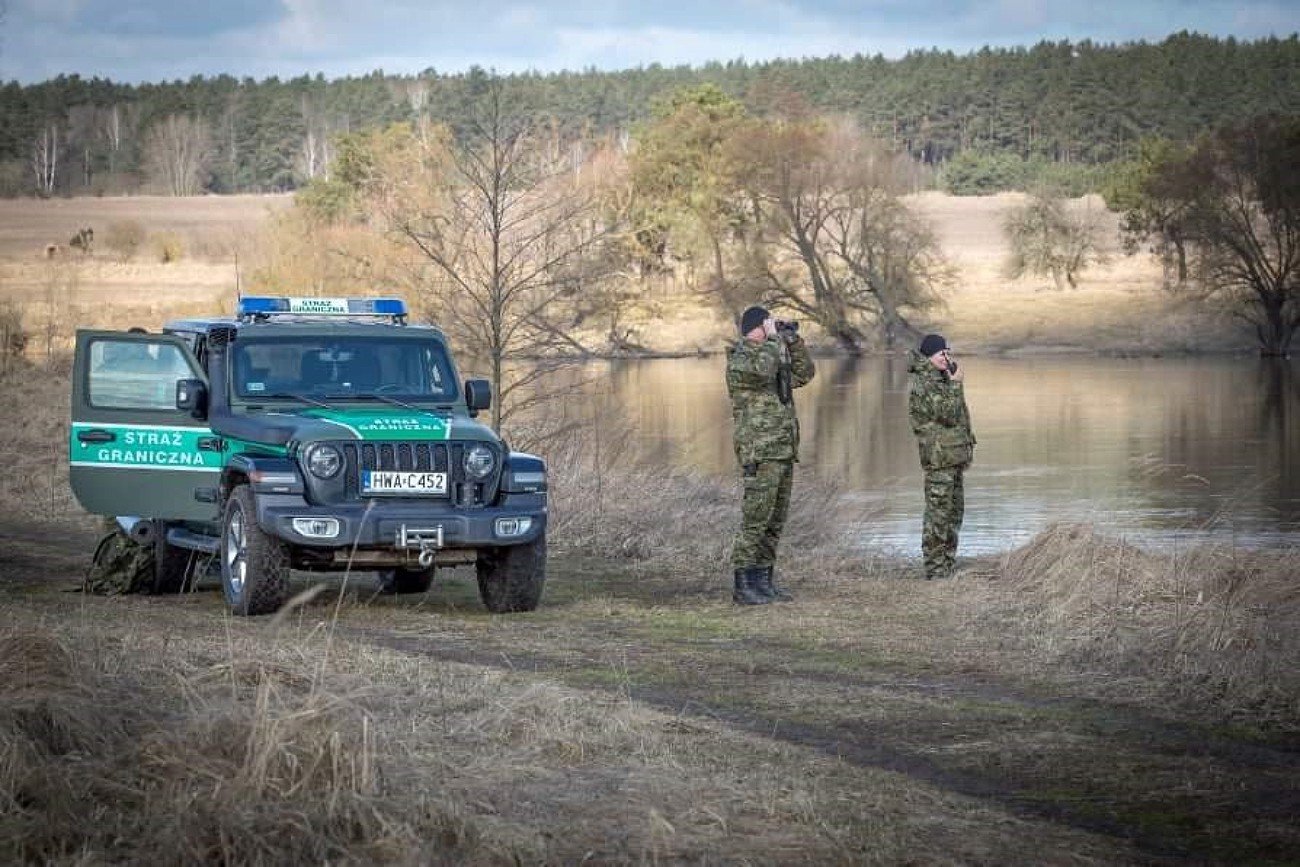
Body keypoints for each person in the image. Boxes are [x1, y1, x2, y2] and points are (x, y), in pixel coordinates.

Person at [726, 305, 815, 605]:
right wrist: (775, 339)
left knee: (775, 521)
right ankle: (743, 585)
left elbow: (804, 374)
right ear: (757, 327)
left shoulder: (772, 353)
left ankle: (764, 582)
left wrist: (794, 342)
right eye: (768, 325)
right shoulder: (741, 358)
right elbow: (763, 369)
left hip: (782, 449)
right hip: (759, 450)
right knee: (756, 520)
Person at [908, 333, 976, 580]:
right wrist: (956, 383)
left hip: (953, 457)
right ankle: (935, 571)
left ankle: (947, 564)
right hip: (938, 460)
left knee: (954, 513)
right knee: (938, 514)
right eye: (941, 354)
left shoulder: (942, 378)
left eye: (948, 353)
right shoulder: (925, 382)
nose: (947, 358)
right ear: (929, 356)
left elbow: (959, 417)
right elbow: (947, 413)